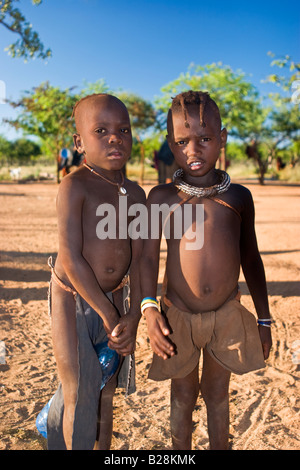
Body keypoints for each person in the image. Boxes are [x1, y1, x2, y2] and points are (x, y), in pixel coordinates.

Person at [140, 91, 272, 450]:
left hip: (226, 316)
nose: (192, 150)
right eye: (182, 142)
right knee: (182, 395)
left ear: (223, 138)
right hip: (177, 317)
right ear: (170, 143)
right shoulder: (161, 198)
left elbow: (252, 258)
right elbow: (148, 260)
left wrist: (263, 319)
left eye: (205, 139)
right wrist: (150, 311)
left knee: (217, 395)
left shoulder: (238, 197)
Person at [46, 93, 145, 450]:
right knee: (81, 390)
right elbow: (70, 257)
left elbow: (141, 259)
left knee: (105, 391)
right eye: (101, 130)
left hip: (116, 300)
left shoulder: (135, 194)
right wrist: (108, 313)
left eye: (123, 129)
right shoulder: (74, 186)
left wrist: (133, 313)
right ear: (79, 142)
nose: (114, 137)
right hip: (73, 300)